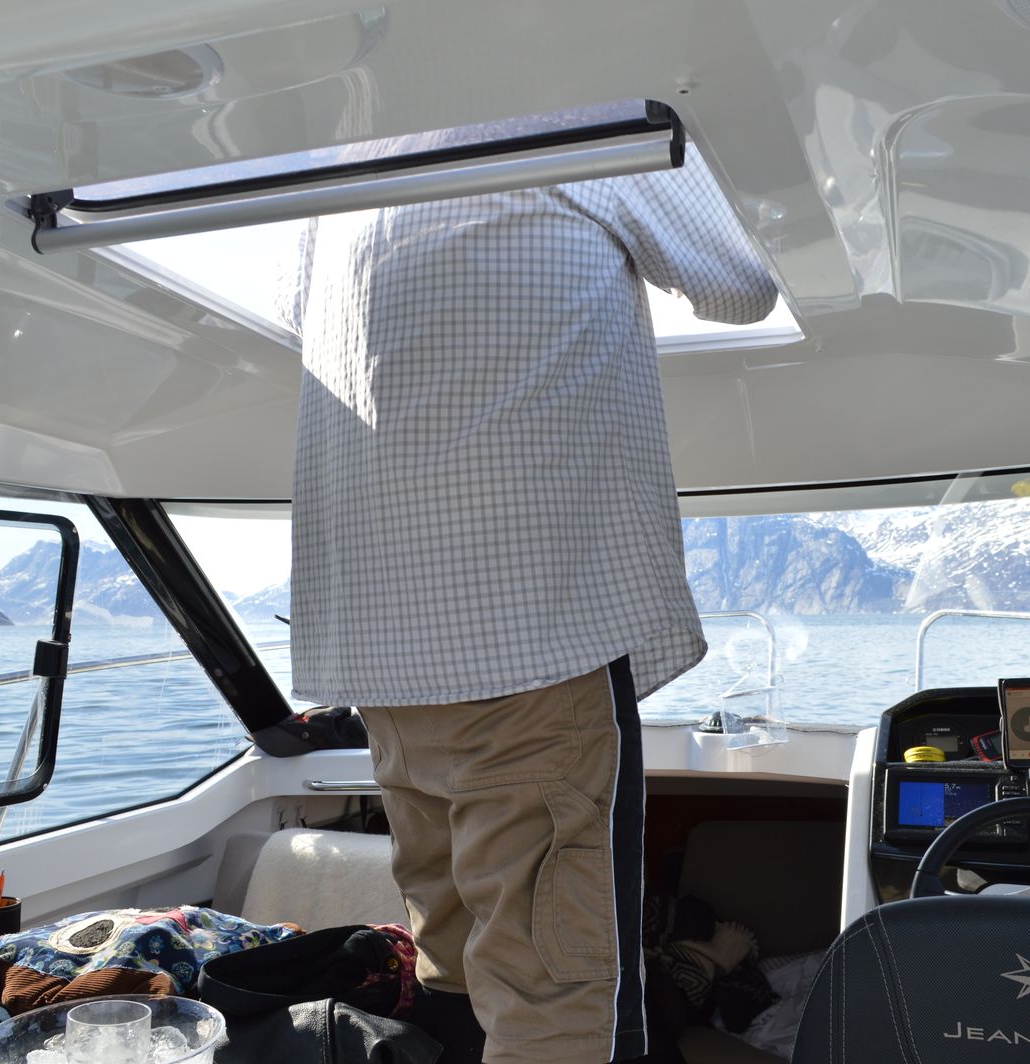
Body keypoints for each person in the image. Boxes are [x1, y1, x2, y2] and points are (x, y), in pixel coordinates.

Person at [279, 144, 778, 1064]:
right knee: (552, 997)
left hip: (379, 661)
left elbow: (296, 316)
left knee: (455, 956)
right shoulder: (586, 116)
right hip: (525, 653)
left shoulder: (337, 169)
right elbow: (742, 284)